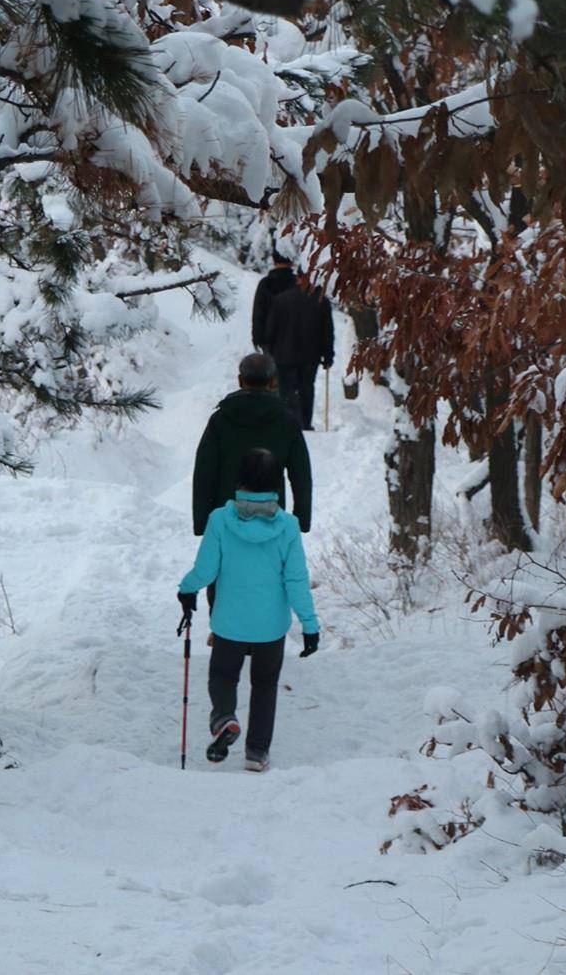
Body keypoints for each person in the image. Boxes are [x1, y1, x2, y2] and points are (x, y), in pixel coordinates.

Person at [177, 448, 320, 772]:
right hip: (271, 627)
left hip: (229, 623)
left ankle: (224, 717)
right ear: (276, 483)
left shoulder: (220, 520)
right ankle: (256, 753)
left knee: (223, 675)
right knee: (265, 685)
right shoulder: (288, 526)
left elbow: (205, 570)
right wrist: (310, 626)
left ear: (239, 480)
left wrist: (186, 590)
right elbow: (296, 580)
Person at [192, 353, 312, 538]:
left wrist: (202, 523)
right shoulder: (287, 422)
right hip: (271, 519)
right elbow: (301, 476)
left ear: (240, 380)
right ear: (273, 382)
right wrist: (301, 521)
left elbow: (204, 473)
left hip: (226, 518)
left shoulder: (220, 420)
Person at [264, 277, 336, 431]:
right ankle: (304, 423)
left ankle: (287, 423)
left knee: (286, 390)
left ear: (297, 279)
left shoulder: (281, 299)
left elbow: (270, 329)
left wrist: (271, 349)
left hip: (283, 354)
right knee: (307, 389)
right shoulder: (321, 300)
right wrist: (328, 354)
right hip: (310, 355)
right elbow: (327, 331)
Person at [250, 250, 297, 351]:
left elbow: (259, 312)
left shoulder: (265, 283)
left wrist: (257, 338)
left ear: (274, 261)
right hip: (295, 339)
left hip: (270, 339)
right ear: (291, 262)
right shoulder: (298, 284)